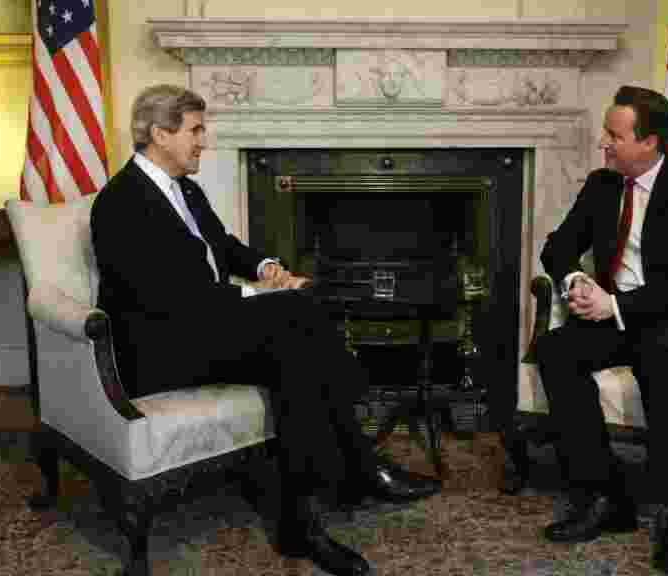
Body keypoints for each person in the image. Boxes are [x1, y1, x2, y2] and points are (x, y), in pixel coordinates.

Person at [91, 84, 441, 576]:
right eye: (194, 130)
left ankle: (307, 515)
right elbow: (170, 301)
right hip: (157, 348)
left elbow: (225, 246)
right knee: (296, 318)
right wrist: (262, 297)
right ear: (158, 133)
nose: (203, 141)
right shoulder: (119, 203)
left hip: (203, 326)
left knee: (295, 347)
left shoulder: (184, 189)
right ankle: (356, 467)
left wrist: (268, 267)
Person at [536, 86, 668, 574]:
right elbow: (558, 247)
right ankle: (606, 495)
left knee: (658, 358)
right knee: (555, 351)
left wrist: (616, 304)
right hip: (620, 313)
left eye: (614, 135)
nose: (604, 144)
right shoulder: (602, 185)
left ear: (649, 141)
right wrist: (577, 281)